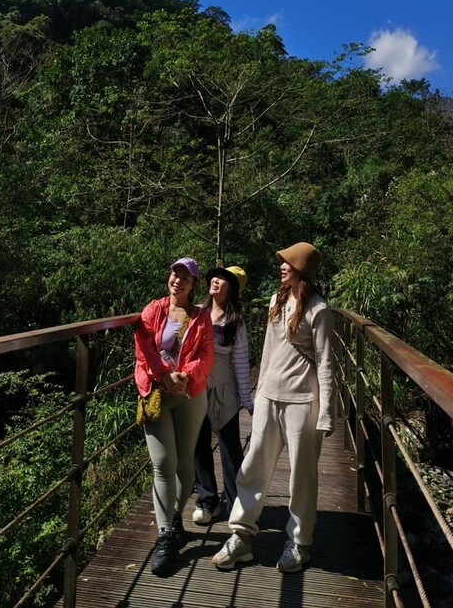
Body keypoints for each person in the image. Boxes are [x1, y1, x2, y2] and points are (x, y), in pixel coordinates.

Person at [212, 242, 335, 574]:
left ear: (302, 271)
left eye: (288, 264)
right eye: (282, 262)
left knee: (302, 477)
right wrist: (257, 392)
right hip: (269, 396)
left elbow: (325, 364)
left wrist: (326, 413)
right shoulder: (276, 301)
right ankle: (241, 536)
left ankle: (300, 542)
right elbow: (268, 352)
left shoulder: (318, 310)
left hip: (303, 402)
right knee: (253, 466)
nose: (281, 267)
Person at [134, 257, 214, 576]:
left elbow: (206, 354)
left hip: (190, 394)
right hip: (157, 392)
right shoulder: (153, 309)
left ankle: (176, 516)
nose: (177, 280)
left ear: (193, 285)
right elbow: (143, 347)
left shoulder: (200, 317)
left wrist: (185, 376)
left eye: (185, 277)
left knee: (184, 463)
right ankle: (165, 536)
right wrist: (166, 375)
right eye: (174, 274)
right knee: (163, 464)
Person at [192, 265, 254, 524]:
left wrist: (246, 399)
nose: (216, 282)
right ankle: (207, 501)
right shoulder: (196, 312)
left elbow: (240, 361)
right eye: (215, 278)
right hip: (196, 387)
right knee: (199, 445)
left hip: (224, 390)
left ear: (232, 290)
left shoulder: (235, 321)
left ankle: (235, 503)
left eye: (223, 280)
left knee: (230, 449)